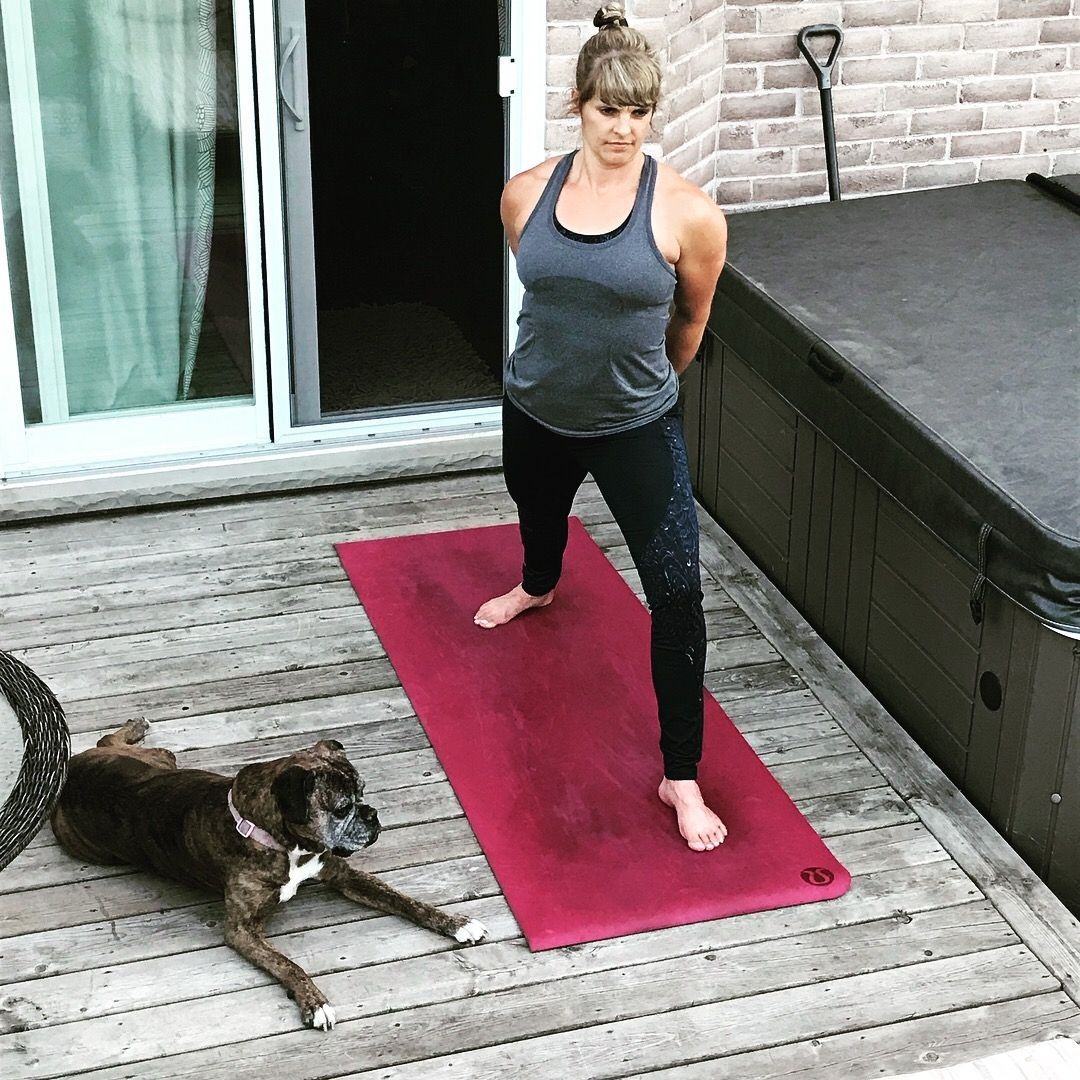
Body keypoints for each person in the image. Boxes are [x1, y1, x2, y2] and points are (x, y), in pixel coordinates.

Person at [474, 2, 728, 852]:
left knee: (679, 599)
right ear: (577, 103)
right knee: (538, 516)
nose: (622, 130)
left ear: (653, 113)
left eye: (638, 113)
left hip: (634, 428)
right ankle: (539, 583)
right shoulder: (524, 196)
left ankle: (680, 775)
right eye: (606, 110)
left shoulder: (689, 214)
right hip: (536, 410)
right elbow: (545, 298)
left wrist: (634, 392)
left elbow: (689, 326)